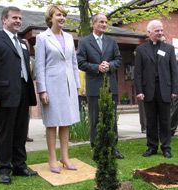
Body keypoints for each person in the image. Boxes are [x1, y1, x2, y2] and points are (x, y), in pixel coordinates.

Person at [0, 6, 38, 184]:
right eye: (14, 18)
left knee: (21, 132)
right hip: (3, 95)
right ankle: (4, 169)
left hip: (22, 92)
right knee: (5, 133)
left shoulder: (22, 43)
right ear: (4, 20)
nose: (18, 21)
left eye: (20, 19)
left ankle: (20, 166)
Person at [35, 5, 80, 174]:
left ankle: (65, 157)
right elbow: (39, 66)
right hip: (51, 86)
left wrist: (77, 86)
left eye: (64, 15)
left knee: (66, 122)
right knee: (53, 122)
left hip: (68, 86)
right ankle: (52, 157)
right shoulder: (42, 38)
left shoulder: (69, 38)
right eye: (58, 15)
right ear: (50, 18)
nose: (62, 17)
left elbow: (73, 64)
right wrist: (42, 90)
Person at [77, 13, 124, 159]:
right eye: (101, 22)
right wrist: (97, 67)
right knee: (95, 119)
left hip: (111, 86)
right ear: (93, 23)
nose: (104, 24)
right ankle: (97, 149)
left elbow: (118, 59)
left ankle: (113, 148)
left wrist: (109, 65)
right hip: (94, 85)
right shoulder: (84, 42)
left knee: (111, 119)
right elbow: (80, 62)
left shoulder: (112, 41)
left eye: (106, 22)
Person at [134, 20, 178, 158]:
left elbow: (174, 71)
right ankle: (152, 147)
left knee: (166, 120)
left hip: (165, 90)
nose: (160, 33)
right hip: (148, 91)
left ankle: (166, 148)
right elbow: (138, 73)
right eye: (157, 31)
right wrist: (139, 91)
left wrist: (175, 90)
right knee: (151, 121)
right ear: (149, 32)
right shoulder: (141, 50)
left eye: (161, 30)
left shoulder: (169, 49)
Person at [22, 39, 35, 142]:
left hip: (27, 91)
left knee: (27, 114)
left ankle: (25, 134)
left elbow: (34, 75)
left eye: (27, 45)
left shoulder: (32, 61)